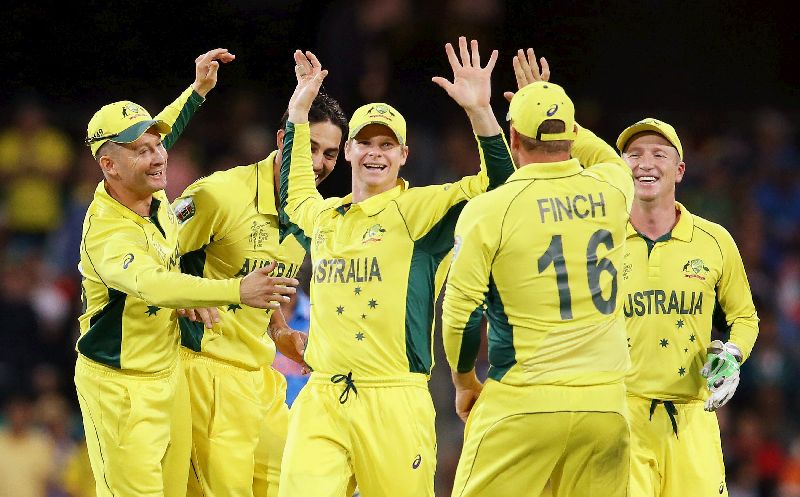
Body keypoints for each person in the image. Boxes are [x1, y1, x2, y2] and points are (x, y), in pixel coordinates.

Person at [277, 37, 515, 497]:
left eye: (387, 144)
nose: (375, 153)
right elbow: (295, 192)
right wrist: (298, 114)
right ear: (348, 150)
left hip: (394, 401)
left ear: (404, 155)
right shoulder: (325, 218)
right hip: (323, 396)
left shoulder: (421, 211)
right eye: (365, 143)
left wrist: (480, 112)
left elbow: (501, 186)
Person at [76, 48, 298, 497]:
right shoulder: (108, 231)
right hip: (120, 388)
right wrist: (234, 289)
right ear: (108, 166)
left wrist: (197, 91)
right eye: (142, 150)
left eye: (157, 146)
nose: (159, 157)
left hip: (168, 376)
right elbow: (152, 284)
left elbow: (165, 128)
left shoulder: (147, 191)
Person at [440, 48, 634, 497]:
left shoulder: (490, 210)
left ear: (512, 137)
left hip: (524, 401)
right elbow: (606, 157)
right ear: (571, 133)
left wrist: (464, 382)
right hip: (606, 407)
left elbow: (460, 315)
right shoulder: (613, 189)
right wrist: (555, 112)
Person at [172, 85, 347, 496]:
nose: (318, 164)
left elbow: (262, 288)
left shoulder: (308, 216)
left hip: (260, 377)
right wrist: (184, 297)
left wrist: (280, 330)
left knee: (297, 486)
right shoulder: (218, 194)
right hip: (204, 375)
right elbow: (152, 256)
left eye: (329, 154)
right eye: (310, 147)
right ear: (283, 140)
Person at [616, 117, 759, 496]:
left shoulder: (714, 240)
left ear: (679, 170)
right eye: (634, 155)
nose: (645, 163)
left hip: (693, 416)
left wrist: (733, 354)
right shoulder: (601, 241)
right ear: (619, 168)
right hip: (621, 415)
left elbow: (744, 317)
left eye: (658, 154)